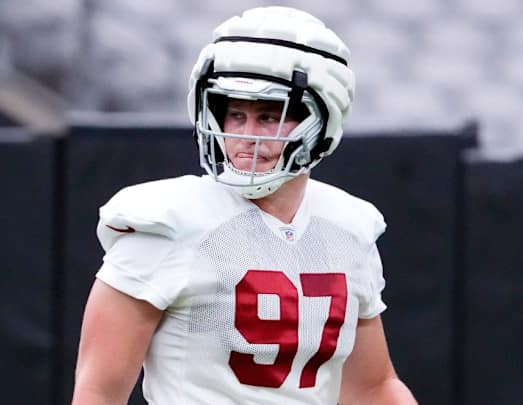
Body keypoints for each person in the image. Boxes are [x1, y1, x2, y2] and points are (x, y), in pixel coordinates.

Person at [72, 6, 417, 405]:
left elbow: (372, 388)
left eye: (270, 116)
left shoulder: (348, 227)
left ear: (322, 122)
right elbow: (98, 391)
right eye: (235, 114)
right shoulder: (167, 222)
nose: (246, 137)